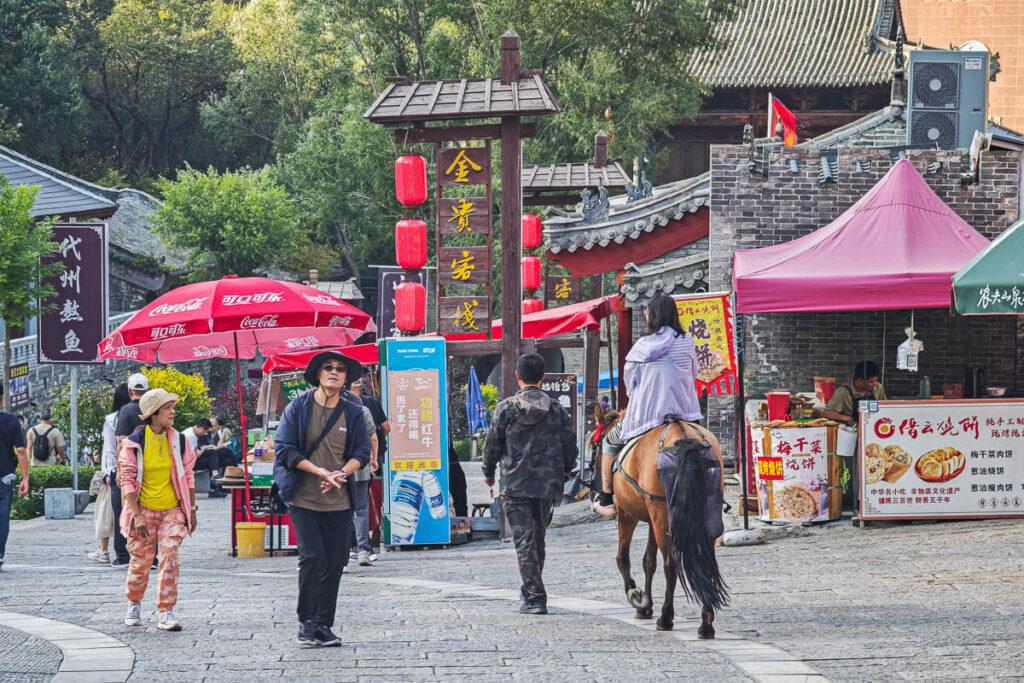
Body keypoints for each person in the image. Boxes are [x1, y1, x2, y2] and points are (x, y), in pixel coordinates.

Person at [274, 350, 370, 647]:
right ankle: (306, 622)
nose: (334, 372)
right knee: (312, 557)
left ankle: (323, 624)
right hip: (303, 497)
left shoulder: (354, 411)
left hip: (340, 499)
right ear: (317, 374)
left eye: (340, 369)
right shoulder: (298, 408)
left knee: (335, 560)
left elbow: (361, 454)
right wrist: (320, 472)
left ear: (346, 378)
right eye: (327, 367)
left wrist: (340, 473)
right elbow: (285, 450)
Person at [483, 352, 577, 615]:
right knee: (538, 539)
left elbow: (492, 446)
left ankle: (535, 596)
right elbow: (571, 445)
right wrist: (567, 469)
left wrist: (488, 472)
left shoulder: (506, 409)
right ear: (543, 377)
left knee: (524, 540)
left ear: (517, 377)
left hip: (515, 484)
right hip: (547, 485)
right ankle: (530, 589)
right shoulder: (557, 410)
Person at [594, 293, 701, 517]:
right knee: (706, 450)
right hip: (686, 414)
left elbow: (630, 383)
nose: (645, 314)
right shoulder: (687, 341)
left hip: (647, 416)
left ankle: (604, 497)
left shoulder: (642, 346)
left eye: (647, 311)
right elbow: (693, 374)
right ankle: (714, 499)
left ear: (654, 315)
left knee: (609, 443)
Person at [118, 388, 197, 631]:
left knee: (170, 555)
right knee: (141, 561)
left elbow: (189, 477)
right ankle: (134, 602)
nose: (173, 412)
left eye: (173, 406)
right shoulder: (133, 443)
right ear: (153, 413)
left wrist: (191, 510)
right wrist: (137, 515)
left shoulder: (179, 441)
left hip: (172, 509)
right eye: (167, 408)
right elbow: (127, 481)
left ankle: (166, 610)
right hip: (142, 509)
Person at [88, 384, 131, 564]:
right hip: (138, 469)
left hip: (117, 471)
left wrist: (108, 471)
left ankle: (114, 552)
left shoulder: (112, 419)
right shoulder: (144, 415)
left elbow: (109, 449)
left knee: (115, 511)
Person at [111, 372, 150, 568]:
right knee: (151, 511)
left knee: (123, 510)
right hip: (151, 468)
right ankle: (151, 554)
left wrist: (119, 470)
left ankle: (123, 555)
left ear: (129, 391)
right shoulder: (153, 409)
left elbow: (121, 442)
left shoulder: (125, 411)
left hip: (131, 466)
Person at [347, 379, 379, 567]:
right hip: (360, 466)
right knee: (361, 508)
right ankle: (363, 550)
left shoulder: (335, 410)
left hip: (339, 468)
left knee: (342, 508)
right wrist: (373, 459)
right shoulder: (363, 411)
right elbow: (373, 438)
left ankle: (345, 548)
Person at [0, 384, 29, 569]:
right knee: (2, 515)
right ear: (2, 398)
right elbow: (20, 450)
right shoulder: (11, 421)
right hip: (5, 476)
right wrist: (25, 477)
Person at [821, 360, 887, 427]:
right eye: (871, 382)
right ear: (859, 380)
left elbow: (886, 408)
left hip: (875, 427)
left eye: (876, 380)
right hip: (852, 430)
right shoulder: (843, 392)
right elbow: (826, 413)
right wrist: (846, 418)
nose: (875, 384)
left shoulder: (878, 388)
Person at [448, 443, 468, 518]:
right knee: (460, 503)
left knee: (460, 503)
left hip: (453, 466)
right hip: (453, 467)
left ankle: (463, 523)